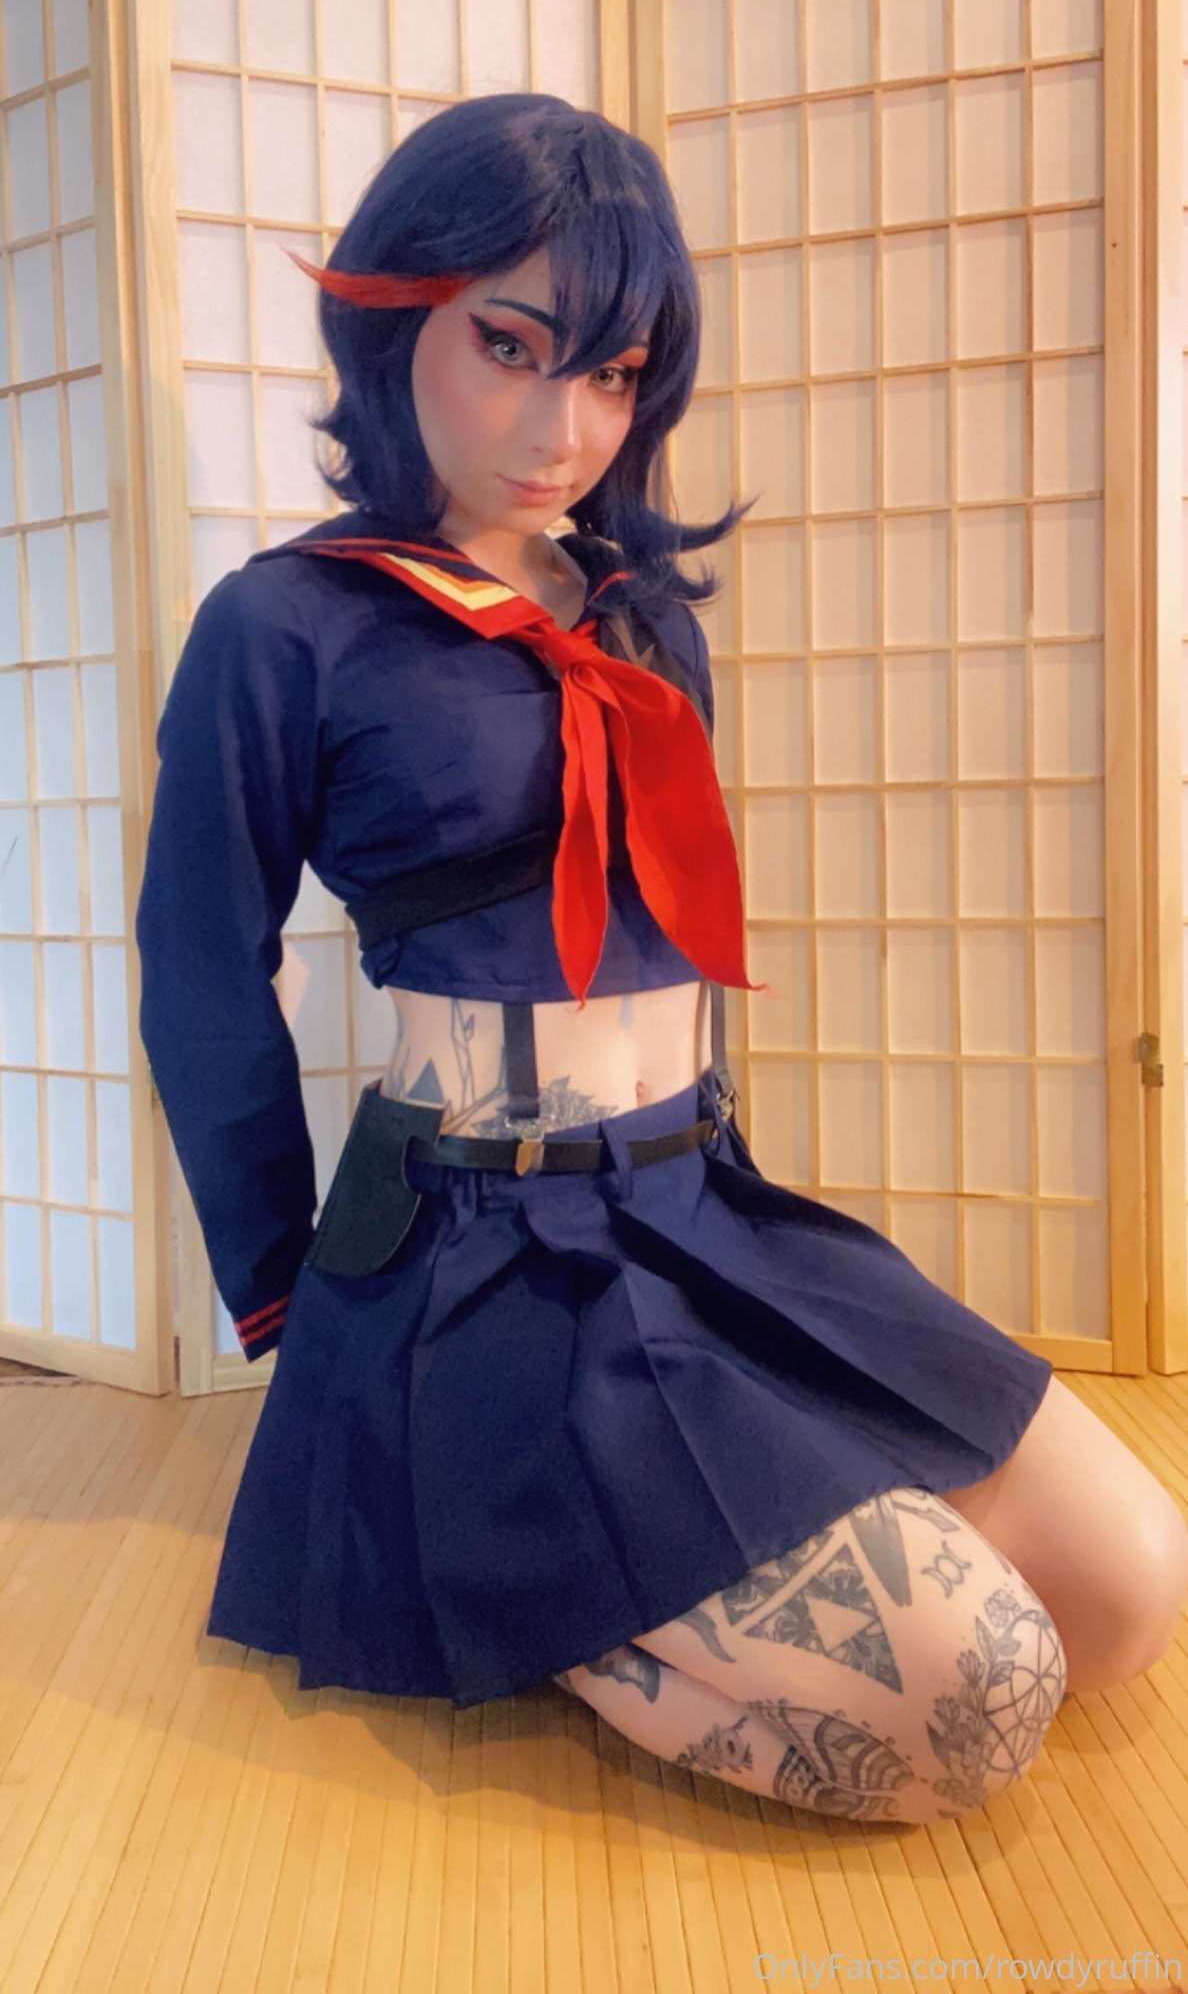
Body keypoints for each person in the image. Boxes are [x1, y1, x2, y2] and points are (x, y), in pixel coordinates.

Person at [135, 92, 1188, 1826]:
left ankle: (614, 1532)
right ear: (397, 309)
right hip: (482, 1257)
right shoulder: (284, 627)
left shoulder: (636, 610)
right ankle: (489, 1550)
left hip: (695, 1198)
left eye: (613, 373)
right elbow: (197, 970)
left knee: (1131, 1591)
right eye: (510, 345)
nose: (561, 426)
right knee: (987, 1691)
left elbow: (677, 926)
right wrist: (280, 1292)